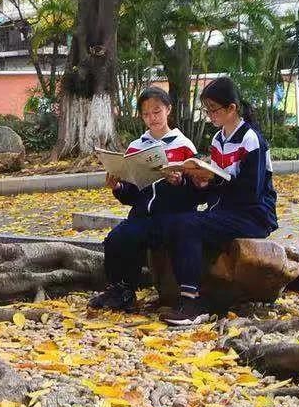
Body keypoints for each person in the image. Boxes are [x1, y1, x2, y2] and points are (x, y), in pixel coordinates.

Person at [158, 74, 278, 328]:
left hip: (254, 215)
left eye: (214, 109)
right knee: (174, 222)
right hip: (225, 212)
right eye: (207, 110)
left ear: (232, 108)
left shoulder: (251, 139)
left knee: (188, 225)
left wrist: (216, 181)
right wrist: (199, 181)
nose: (210, 115)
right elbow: (216, 188)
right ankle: (190, 295)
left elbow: (251, 192)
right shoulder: (218, 140)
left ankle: (191, 304)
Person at [88, 86, 198, 312]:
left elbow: (197, 191)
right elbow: (132, 193)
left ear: (168, 110)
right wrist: (118, 186)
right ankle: (122, 290)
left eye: (157, 112)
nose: (152, 118)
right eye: (146, 114)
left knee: (170, 238)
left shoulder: (184, 146)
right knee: (117, 238)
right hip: (142, 216)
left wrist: (180, 182)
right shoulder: (136, 147)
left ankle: (181, 297)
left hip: (174, 216)